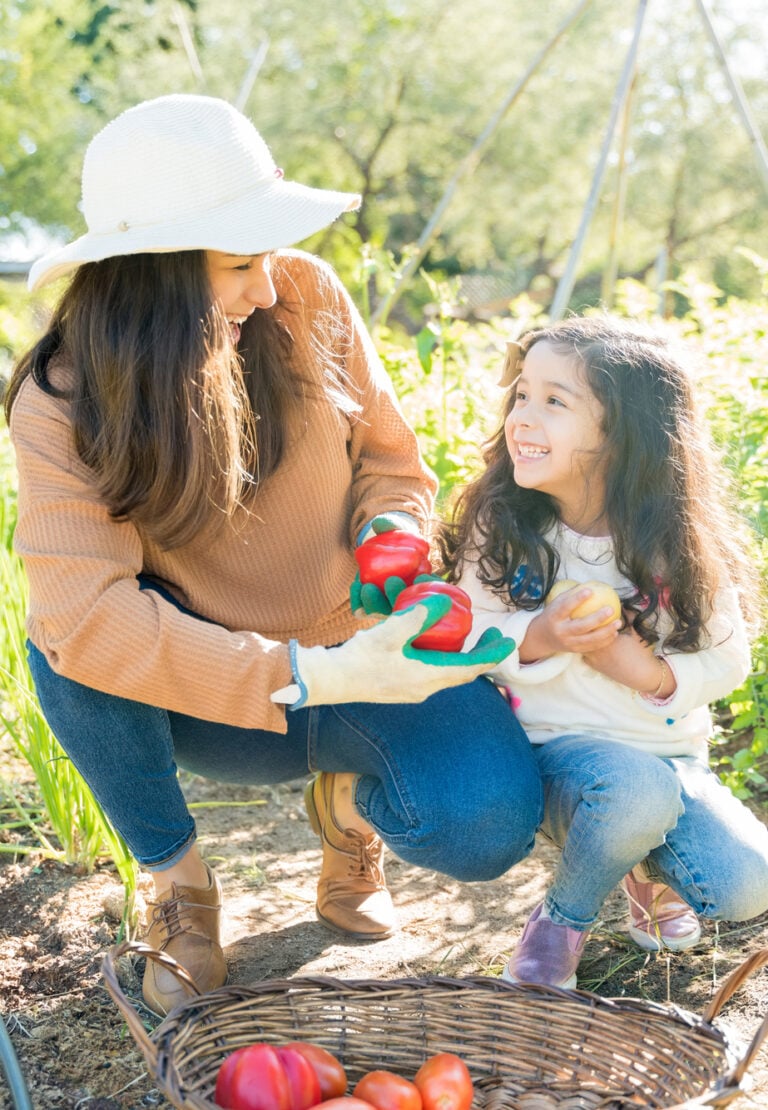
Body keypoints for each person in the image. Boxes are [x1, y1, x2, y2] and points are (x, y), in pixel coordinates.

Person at [5, 93, 542, 1016]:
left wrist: (391, 534)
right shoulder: (61, 403)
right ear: (153, 276)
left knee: (487, 822)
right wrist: (306, 673)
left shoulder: (302, 297)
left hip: (367, 662)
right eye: (238, 263)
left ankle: (344, 813)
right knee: (63, 652)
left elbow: (389, 460)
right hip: (218, 695)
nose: (266, 284)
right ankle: (180, 886)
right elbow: (88, 617)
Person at [438, 315, 768, 989]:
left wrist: (645, 670)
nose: (523, 417)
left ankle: (642, 865)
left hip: (671, 763)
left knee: (747, 885)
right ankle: (560, 923)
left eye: (554, 401)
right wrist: (543, 636)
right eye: (521, 395)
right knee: (631, 790)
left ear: (623, 433)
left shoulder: (676, 541)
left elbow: (728, 658)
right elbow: (469, 635)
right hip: (556, 760)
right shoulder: (504, 523)